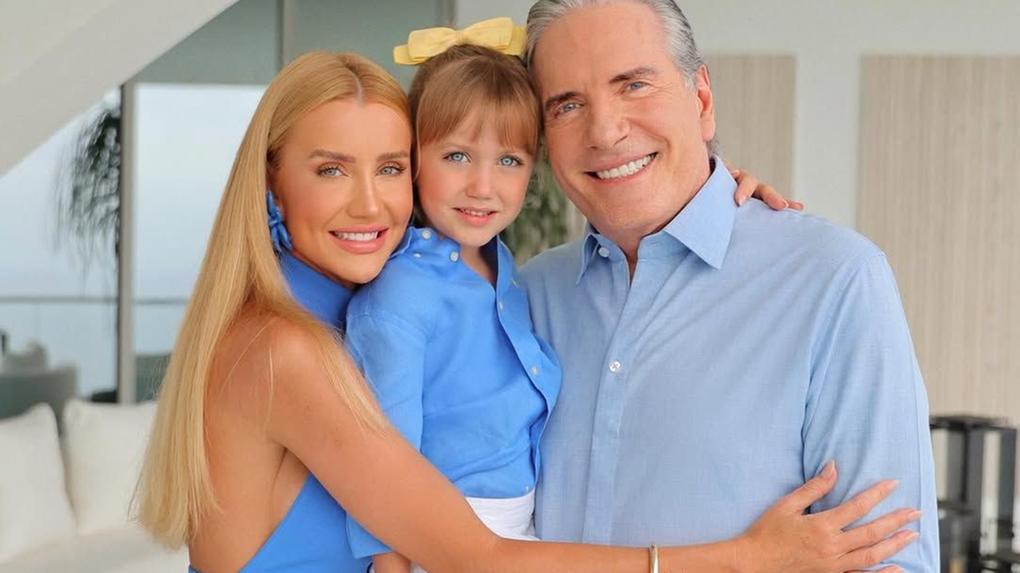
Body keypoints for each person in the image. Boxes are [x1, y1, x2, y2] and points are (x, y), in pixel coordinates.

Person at [134, 50, 918, 573]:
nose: (370, 203)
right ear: (271, 184)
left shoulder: (391, 306)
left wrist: (706, 194)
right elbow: (479, 558)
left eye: (391, 167)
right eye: (330, 170)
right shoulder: (282, 351)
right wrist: (747, 557)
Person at [518, 1, 940, 570]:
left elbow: (890, 559)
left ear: (701, 100)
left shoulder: (835, 280)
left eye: (634, 85)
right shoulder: (523, 298)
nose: (605, 131)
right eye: (567, 105)